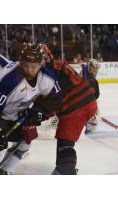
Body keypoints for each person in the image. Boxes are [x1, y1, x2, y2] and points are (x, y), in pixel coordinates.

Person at [0, 44, 61, 175]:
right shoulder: (9, 79)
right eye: (26, 65)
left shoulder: (47, 78)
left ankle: (5, 171)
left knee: (24, 142)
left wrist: (41, 111)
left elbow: (56, 98)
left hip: (14, 115)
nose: (29, 70)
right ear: (20, 62)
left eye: (34, 66)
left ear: (41, 64)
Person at [37, 44, 98, 175]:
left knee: (65, 142)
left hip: (77, 106)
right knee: (62, 136)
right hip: (80, 103)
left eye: (40, 58)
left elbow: (55, 97)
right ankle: (61, 167)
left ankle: (67, 171)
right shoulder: (56, 64)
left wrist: (42, 112)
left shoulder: (48, 71)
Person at [81, 59, 100, 134]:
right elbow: (96, 95)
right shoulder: (92, 81)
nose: (96, 71)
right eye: (94, 69)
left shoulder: (83, 72)